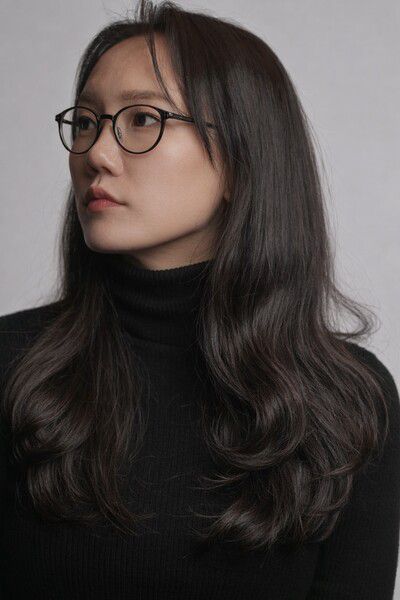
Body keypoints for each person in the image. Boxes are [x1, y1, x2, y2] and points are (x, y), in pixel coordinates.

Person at [1, 0, 399, 598]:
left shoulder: (348, 402)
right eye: (84, 122)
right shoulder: (12, 366)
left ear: (240, 158)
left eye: (143, 119)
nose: (96, 154)